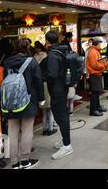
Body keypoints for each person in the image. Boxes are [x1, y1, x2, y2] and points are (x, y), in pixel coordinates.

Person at [3, 39, 44, 169]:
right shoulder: (31, 61)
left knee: (12, 132)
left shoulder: (7, 62)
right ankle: (25, 160)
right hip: (28, 100)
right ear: (28, 48)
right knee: (26, 131)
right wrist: (41, 98)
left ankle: (14, 162)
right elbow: (38, 80)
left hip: (10, 101)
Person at [45, 31, 73, 160]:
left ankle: (67, 146)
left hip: (57, 91)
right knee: (63, 116)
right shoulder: (62, 50)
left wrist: (42, 77)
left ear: (47, 42)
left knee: (61, 117)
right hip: (64, 87)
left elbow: (52, 74)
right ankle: (65, 140)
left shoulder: (52, 55)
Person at [86, 38, 108, 117]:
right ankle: (93, 111)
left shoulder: (95, 51)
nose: (102, 45)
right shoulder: (93, 52)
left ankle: (97, 107)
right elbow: (95, 65)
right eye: (101, 44)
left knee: (96, 92)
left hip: (96, 74)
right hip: (94, 75)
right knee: (94, 93)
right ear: (97, 44)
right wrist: (105, 64)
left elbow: (97, 63)